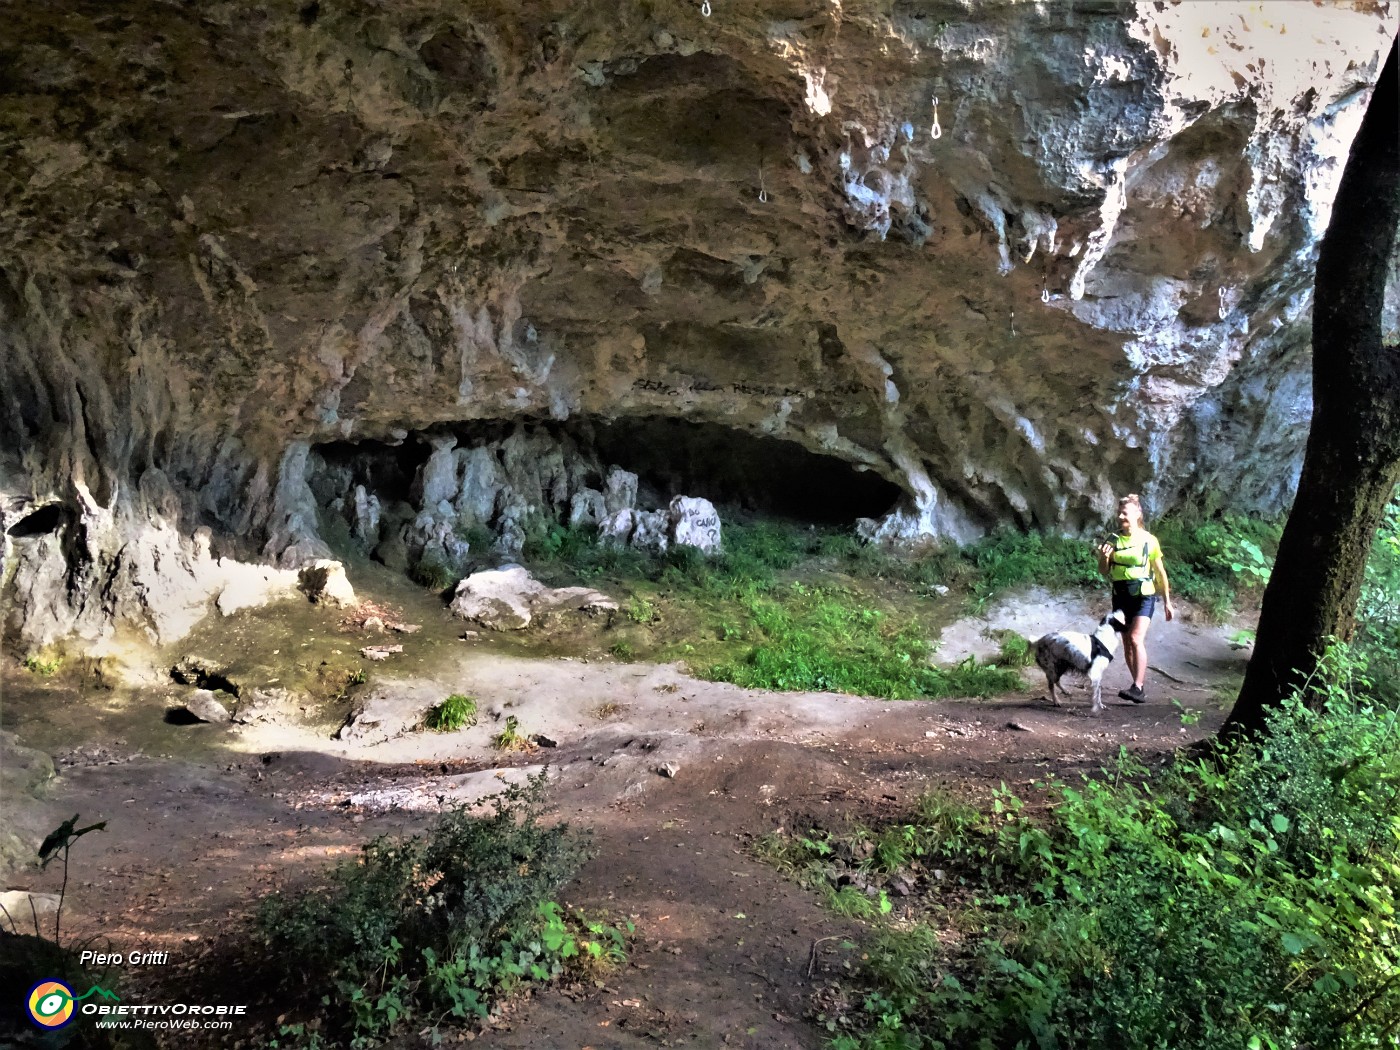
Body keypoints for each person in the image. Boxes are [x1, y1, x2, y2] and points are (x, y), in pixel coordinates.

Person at [1096, 494, 1175, 703]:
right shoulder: (1112, 540)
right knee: (1127, 643)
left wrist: (1167, 601)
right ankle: (1137, 686)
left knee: (1135, 638)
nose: (1121, 516)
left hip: (1144, 595)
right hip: (1121, 596)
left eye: (1125, 513)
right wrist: (1104, 557)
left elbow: (1160, 572)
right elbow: (1103, 571)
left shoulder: (1149, 540)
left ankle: (1137, 687)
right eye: (1119, 513)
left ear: (1137, 514)